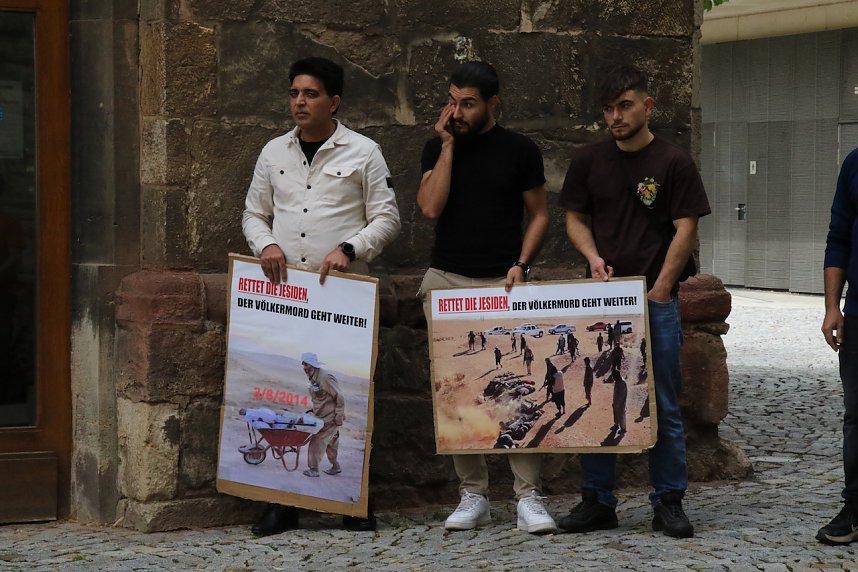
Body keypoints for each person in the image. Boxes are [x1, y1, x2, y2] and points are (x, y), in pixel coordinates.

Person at [242, 57, 401, 535]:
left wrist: (350, 248)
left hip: (342, 297)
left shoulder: (365, 152)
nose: (299, 102)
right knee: (288, 391)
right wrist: (266, 244)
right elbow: (253, 213)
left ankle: (352, 501)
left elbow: (388, 218)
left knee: (347, 395)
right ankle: (281, 501)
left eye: (310, 94)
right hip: (287, 297)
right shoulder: (273, 153)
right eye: (294, 93)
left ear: (334, 102)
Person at [558, 65, 710, 539]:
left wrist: (662, 288)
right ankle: (597, 500)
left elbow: (686, 228)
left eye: (624, 105)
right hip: (601, 300)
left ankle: (668, 499)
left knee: (660, 399)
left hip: (654, 299)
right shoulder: (588, 161)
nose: (615, 116)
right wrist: (591, 256)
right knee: (597, 393)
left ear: (648, 106)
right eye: (608, 108)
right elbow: (575, 219)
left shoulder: (673, 162)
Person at [417, 61, 553, 534]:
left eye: (468, 103)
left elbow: (539, 214)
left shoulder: (519, 149)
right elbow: (430, 207)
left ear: (493, 104)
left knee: (516, 387)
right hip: (448, 279)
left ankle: (528, 498)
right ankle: (472, 495)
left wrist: (522, 264)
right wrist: (449, 145)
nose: (457, 110)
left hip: (502, 281)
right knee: (456, 392)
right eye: (452, 99)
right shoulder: (438, 146)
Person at [819, 146, 858, 545]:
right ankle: (856, 506)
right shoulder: (854, 163)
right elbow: (839, 235)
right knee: (857, 415)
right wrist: (832, 305)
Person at [300, 352, 345, 478]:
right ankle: (336, 466)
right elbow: (320, 398)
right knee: (331, 443)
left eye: (306, 364)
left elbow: (339, 396)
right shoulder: (313, 377)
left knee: (316, 441)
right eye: (303, 364)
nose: (304, 367)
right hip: (321, 416)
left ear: (313, 365)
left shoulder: (325, 378)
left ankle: (313, 470)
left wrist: (338, 416)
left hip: (330, 419)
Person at [609, 369, 627, 436]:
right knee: (616, 414)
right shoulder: (617, 381)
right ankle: (616, 425)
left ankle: (623, 429)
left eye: (613, 376)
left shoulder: (621, 383)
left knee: (621, 415)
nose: (613, 378)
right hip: (616, 402)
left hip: (620, 403)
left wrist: (617, 404)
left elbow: (621, 396)